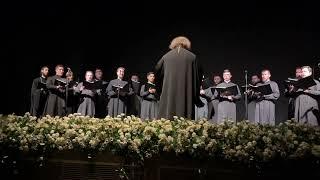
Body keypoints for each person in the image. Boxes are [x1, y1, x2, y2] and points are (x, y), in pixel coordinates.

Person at [155, 36, 203, 119]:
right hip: (186, 92)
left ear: (173, 44)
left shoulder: (166, 56)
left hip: (169, 92)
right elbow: (197, 77)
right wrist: (196, 97)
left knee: (167, 118)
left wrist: (160, 91)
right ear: (186, 44)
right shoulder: (192, 57)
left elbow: (157, 72)